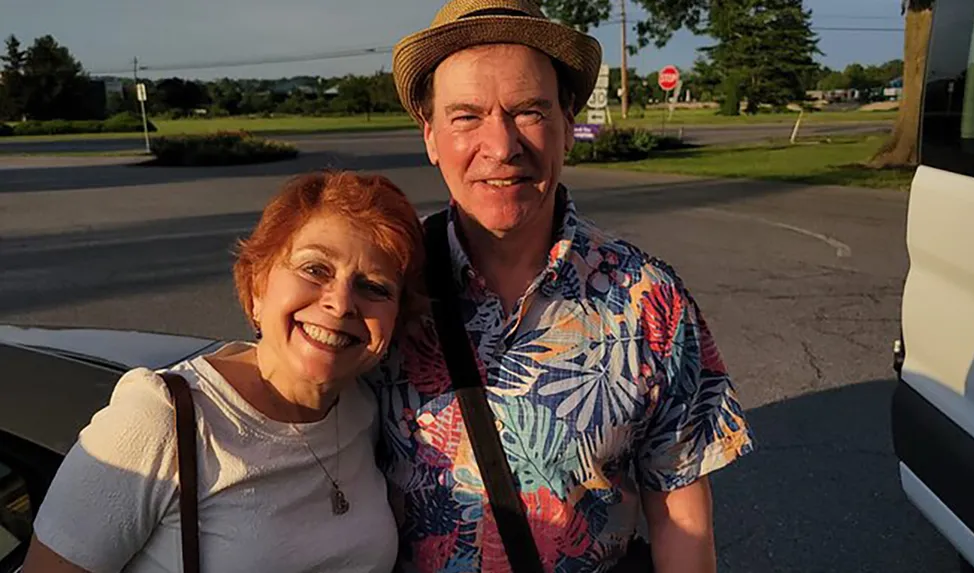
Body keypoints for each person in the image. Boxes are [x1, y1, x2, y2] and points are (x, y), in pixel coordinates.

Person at [368, 0, 756, 572]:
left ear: (568, 125)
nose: (501, 147)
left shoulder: (648, 300)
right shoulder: (381, 288)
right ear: (430, 136)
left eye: (528, 111)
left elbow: (681, 513)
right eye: (466, 117)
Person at [21, 170, 425, 573]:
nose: (341, 304)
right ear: (257, 287)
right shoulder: (162, 420)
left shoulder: (362, 408)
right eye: (315, 269)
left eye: (374, 287)